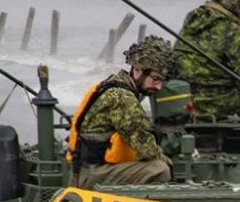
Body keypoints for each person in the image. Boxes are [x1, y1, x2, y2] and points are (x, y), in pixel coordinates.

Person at [69, 35, 176, 186]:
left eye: (162, 81)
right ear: (138, 70)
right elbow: (146, 147)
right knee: (160, 169)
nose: (158, 87)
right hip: (92, 175)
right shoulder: (123, 98)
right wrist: (173, 167)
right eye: (155, 78)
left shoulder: (115, 85)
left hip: (86, 170)